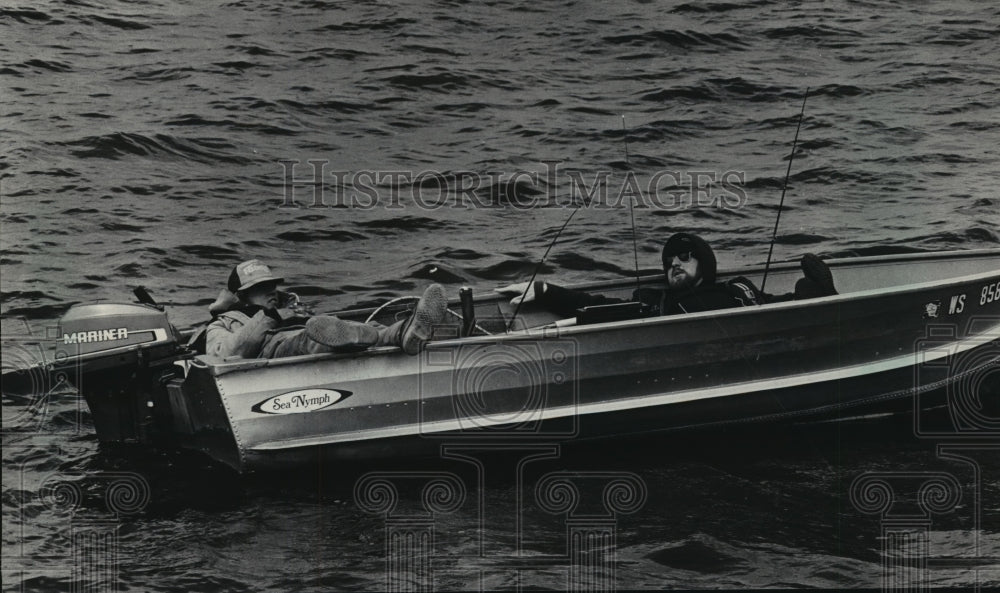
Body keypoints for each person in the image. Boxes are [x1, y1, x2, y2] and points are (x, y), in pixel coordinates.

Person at [496, 232, 837, 319]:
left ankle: (824, 293)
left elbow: (779, 308)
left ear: (704, 265)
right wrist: (543, 290)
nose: (674, 263)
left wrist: (816, 292)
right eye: (669, 259)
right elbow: (596, 306)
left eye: (685, 257)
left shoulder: (737, 289)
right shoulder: (654, 301)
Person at [206, 259, 448, 359]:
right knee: (307, 337)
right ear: (242, 296)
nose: (271, 290)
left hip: (311, 333)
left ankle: (406, 331)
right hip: (275, 349)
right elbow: (227, 353)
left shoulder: (292, 307)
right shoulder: (223, 324)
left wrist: (293, 312)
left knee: (342, 326)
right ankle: (394, 334)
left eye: (272, 284)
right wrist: (271, 316)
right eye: (261, 287)